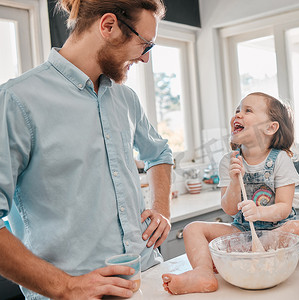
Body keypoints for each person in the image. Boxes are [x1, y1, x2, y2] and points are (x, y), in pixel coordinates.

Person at [0, 0, 173, 299]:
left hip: (147, 277)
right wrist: (66, 287)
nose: (145, 59)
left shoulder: (126, 98)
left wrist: (162, 209)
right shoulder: (17, 101)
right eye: (145, 45)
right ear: (108, 26)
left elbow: (159, 154)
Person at [162, 92, 299, 295]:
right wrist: (234, 181)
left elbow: (285, 208)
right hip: (241, 232)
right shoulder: (228, 161)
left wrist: (260, 213)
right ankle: (203, 273)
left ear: (271, 127)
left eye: (248, 110)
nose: (238, 115)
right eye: (237, 110)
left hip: (276, 232)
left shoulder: (280, 160)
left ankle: (258, 255)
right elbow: (230, 209)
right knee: (192, 229)